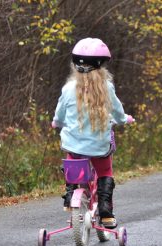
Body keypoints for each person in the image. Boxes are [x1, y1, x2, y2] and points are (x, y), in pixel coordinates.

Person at [52, 38, 134, 228]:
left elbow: (60, 114)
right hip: (98, 147)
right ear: (102, 66)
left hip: (74, 146)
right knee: (105, 171)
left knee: (72, 156)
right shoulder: (107, 88)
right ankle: (106, 211)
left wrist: (57, 123)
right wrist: (124, 120)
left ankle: (71, 191)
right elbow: (118, 113)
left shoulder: (68, 88)